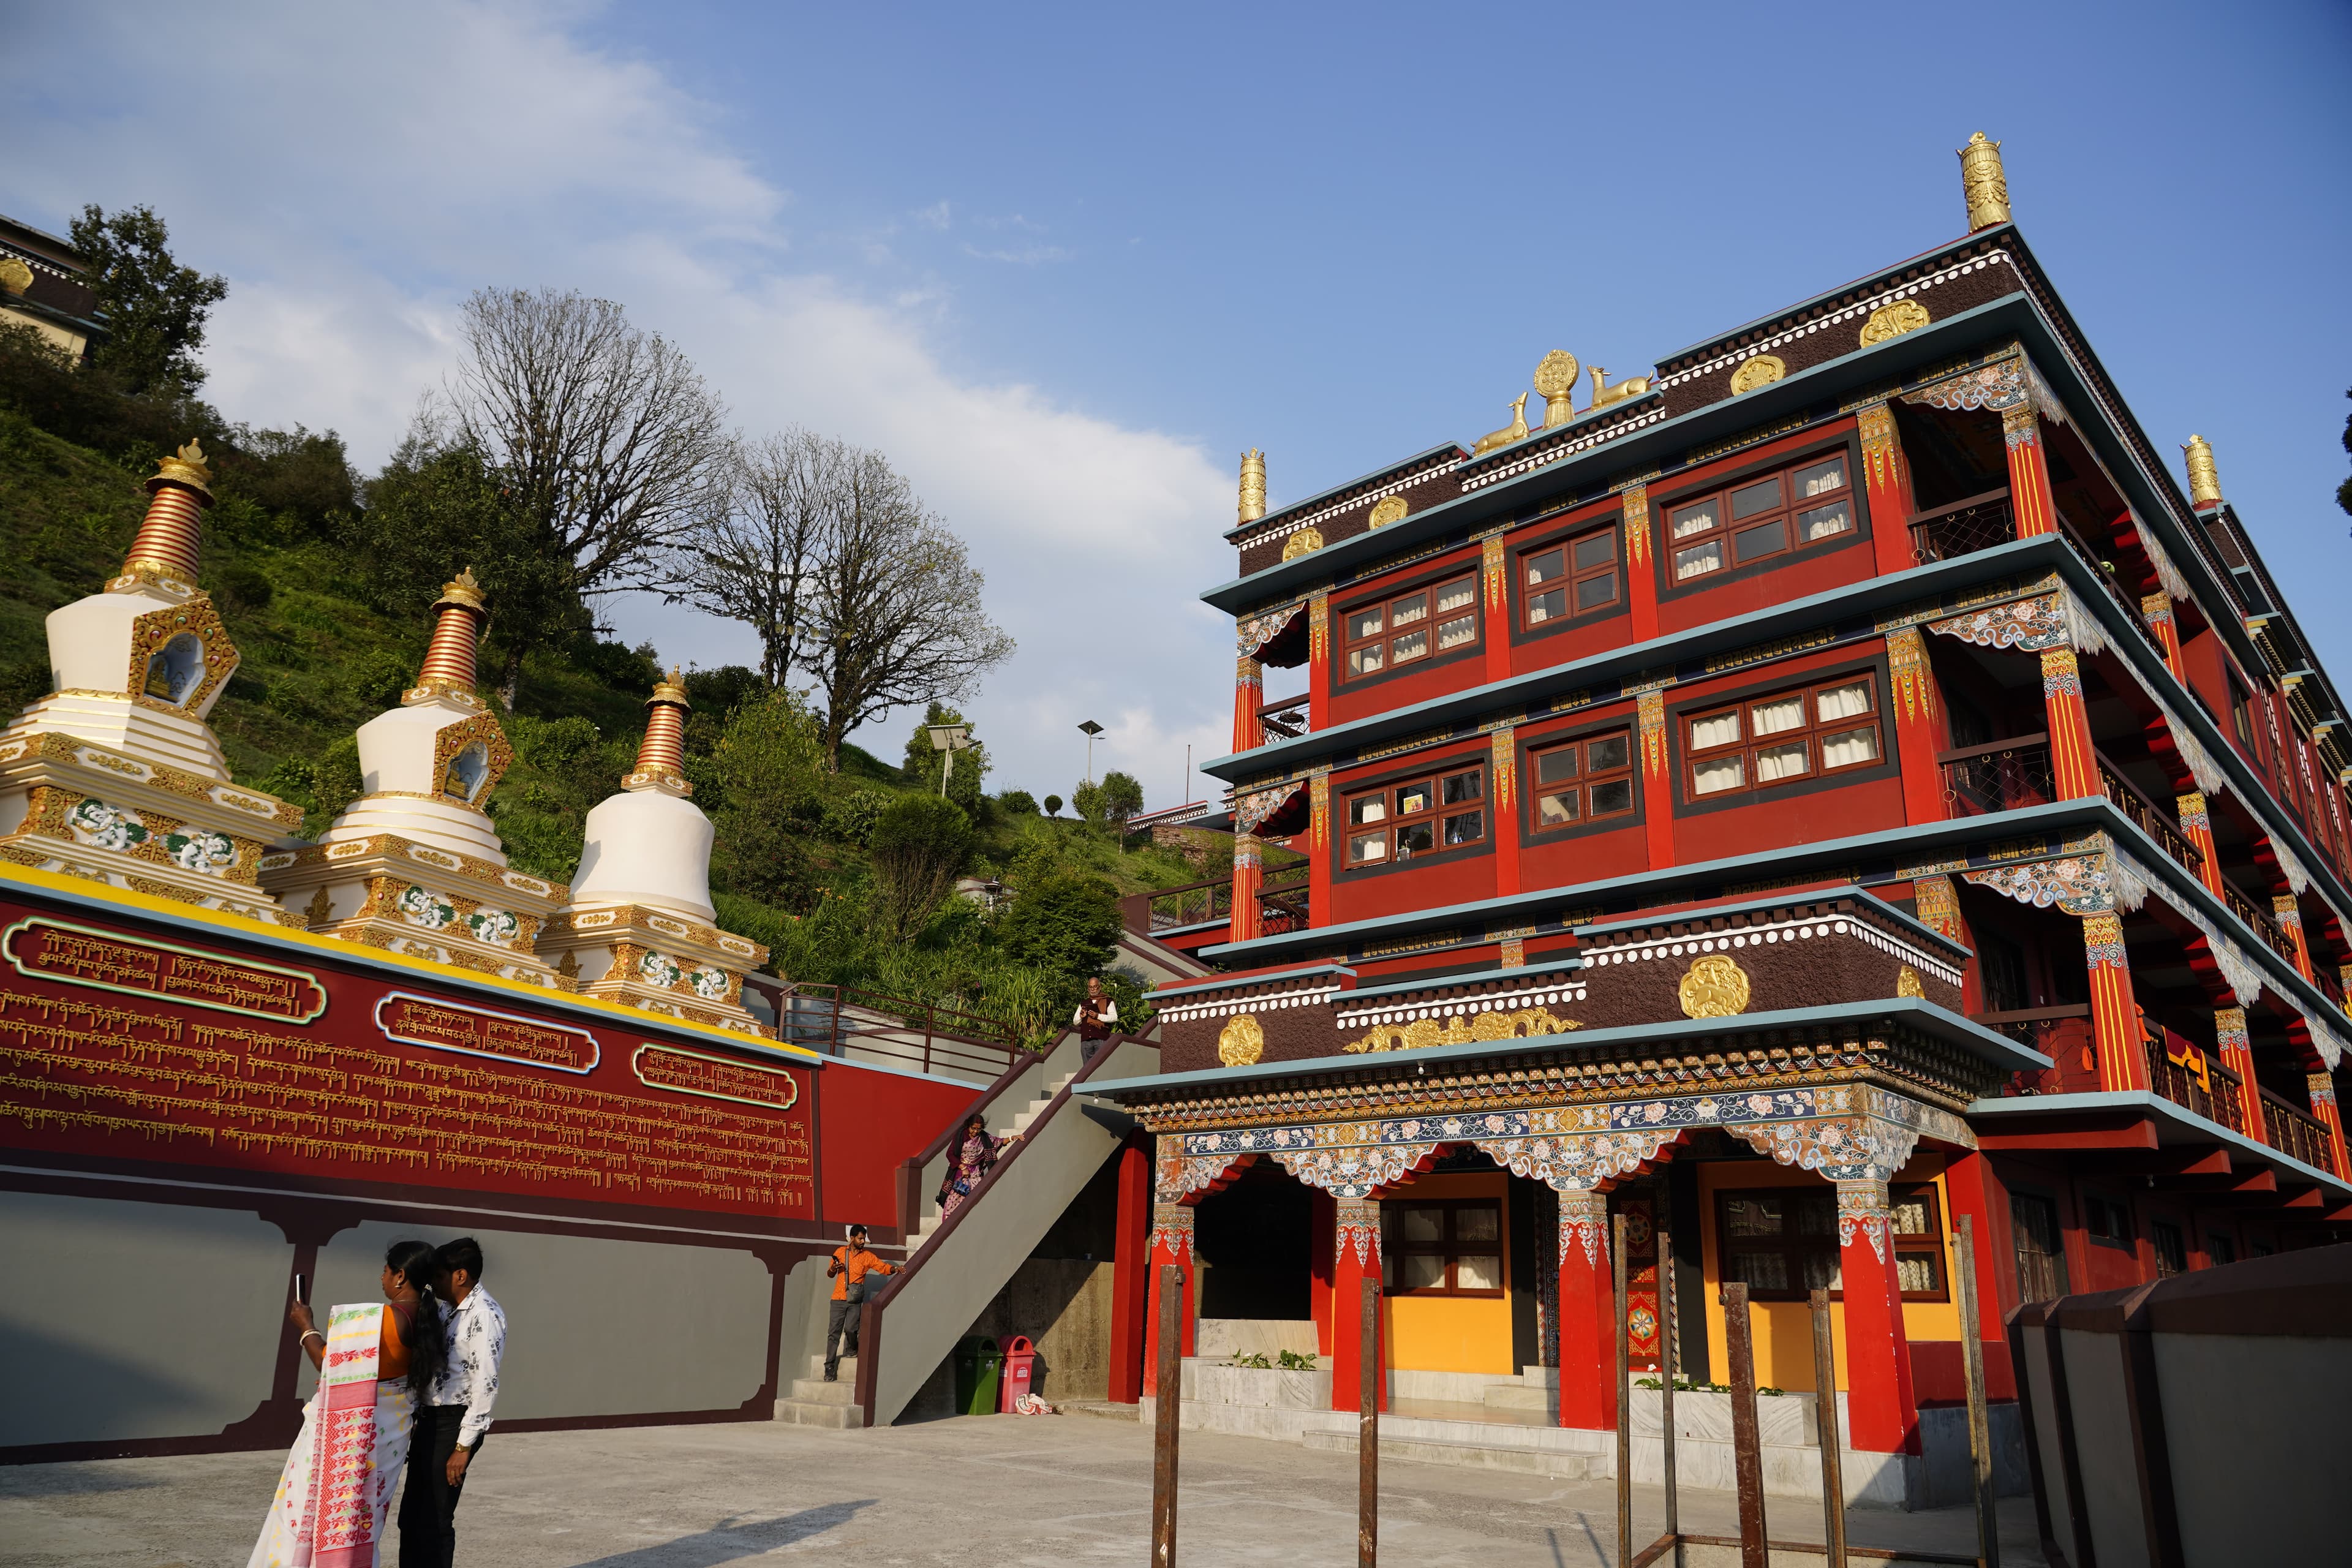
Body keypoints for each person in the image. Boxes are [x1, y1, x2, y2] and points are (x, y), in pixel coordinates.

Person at [249, 1240, 448, 1568]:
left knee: (310, 1510)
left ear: (400, 1276)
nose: (382, 1278)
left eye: (385, 1272)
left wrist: (306, 1326)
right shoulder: (432, 1319)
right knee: (362, 1519)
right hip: (391, 1434)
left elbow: (327, 1361)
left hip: (354, 1435)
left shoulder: (381, 1321)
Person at [401, 1237, 505, 1568]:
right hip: (430, 1421)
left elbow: (485, 1383)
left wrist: (463, 1447)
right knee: (411, 1517)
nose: (433, 1283)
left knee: (435, 1519)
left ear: (461, 1276)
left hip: (454, 1425)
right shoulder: (446, 1309)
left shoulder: (484, 1314)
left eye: (440, 1276)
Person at [822, 1224, 899, 1382]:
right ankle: (829, 1367)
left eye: (864, 1238)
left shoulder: (867, 1256)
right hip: (838, 1299)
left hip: (855, 1300)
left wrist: (896, 1269)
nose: (863, 1241)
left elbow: (882, 1267)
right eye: (860, 1238)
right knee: (833, 1334)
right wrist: (834, 1268)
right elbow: (830, 1274)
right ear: (852, 1238)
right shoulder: (840, 1252)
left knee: (851, 1329)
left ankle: (852, 1348)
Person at [936, 1113, 1017, 1221]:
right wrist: (963, 1168)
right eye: (973, 1128)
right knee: (955, 1200)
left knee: (977, 1200)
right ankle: (949, 1224)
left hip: (976, 1174)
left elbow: (999, 1142)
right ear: (968, 1126)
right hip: (961, 1173)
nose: (976, 1131)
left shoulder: (984, 1137)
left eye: (979, 1129)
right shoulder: (961, 1136)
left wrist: (1012, 1138)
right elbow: (950, 1154)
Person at [1074, 977, 1119, 1061]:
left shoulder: (1108, 1001)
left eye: (1095, 987)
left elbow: (1114, 1018)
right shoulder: (1084, 1003)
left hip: (1101, 1039)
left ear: (1100, 987)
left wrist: (1098, 1016)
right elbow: (1075, 1022)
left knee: (1101, 1065)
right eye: (1090, 987)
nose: (1093, 989)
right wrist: (1081, 1017)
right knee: (1087, 1067)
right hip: (1086, 1040)